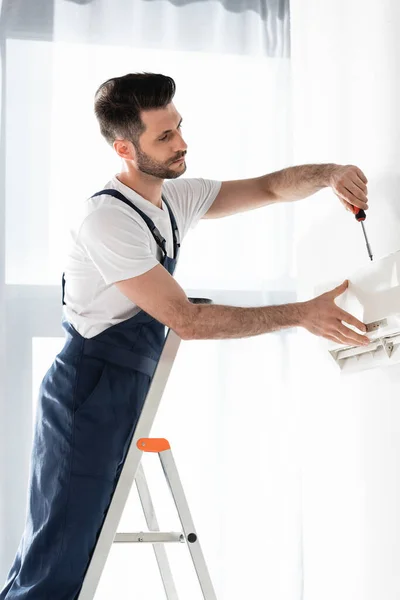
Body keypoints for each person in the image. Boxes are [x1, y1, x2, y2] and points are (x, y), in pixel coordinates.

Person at [0, 72, 370, 600]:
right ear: (125, 148)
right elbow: (186, 319)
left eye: (179, 128)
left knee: (75, 549)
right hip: (87, 391)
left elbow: (268, 187)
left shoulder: (177, 198)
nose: (181, 144)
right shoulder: (108, 220)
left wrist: (331, 174)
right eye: (164, 137)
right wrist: (301, 314)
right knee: (58, 558)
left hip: (129, 385)